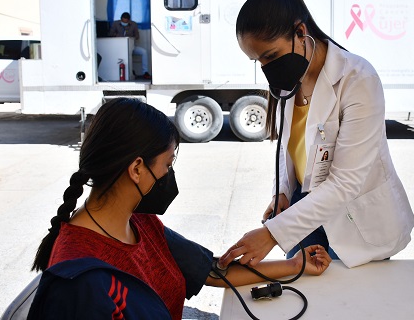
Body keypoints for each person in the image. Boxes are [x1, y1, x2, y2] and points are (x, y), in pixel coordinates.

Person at [28, 97, 331, 319]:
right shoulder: (78, 278)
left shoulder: (141, 224)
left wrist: (295, 265)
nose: (168, 176)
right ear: (136, 169)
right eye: (167, 164)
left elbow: (212, 272)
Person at [219, 0, 414, 270]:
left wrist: (272, 234)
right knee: (303, 296)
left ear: (300, 32)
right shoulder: (289, 80)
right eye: (258, 60)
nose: (267, 68)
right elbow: (290, 150)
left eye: (270, 55)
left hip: (355, 219)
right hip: (304, 209)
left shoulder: (358, 79)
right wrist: (283, 190)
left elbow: (346, 182)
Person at [108, 12, 151, 80]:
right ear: (121, 19)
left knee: (143, 52)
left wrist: (131, 37)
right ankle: (130, 72)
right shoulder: (115, 24)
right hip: (119, 48)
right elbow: (110, 34)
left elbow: (137, 36)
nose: (125, 23)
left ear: (129, 20)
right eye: (123, 21)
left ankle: (145, 72)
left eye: (126, 21)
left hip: (131, 47)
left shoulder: (133, 24)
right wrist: (117, 36)